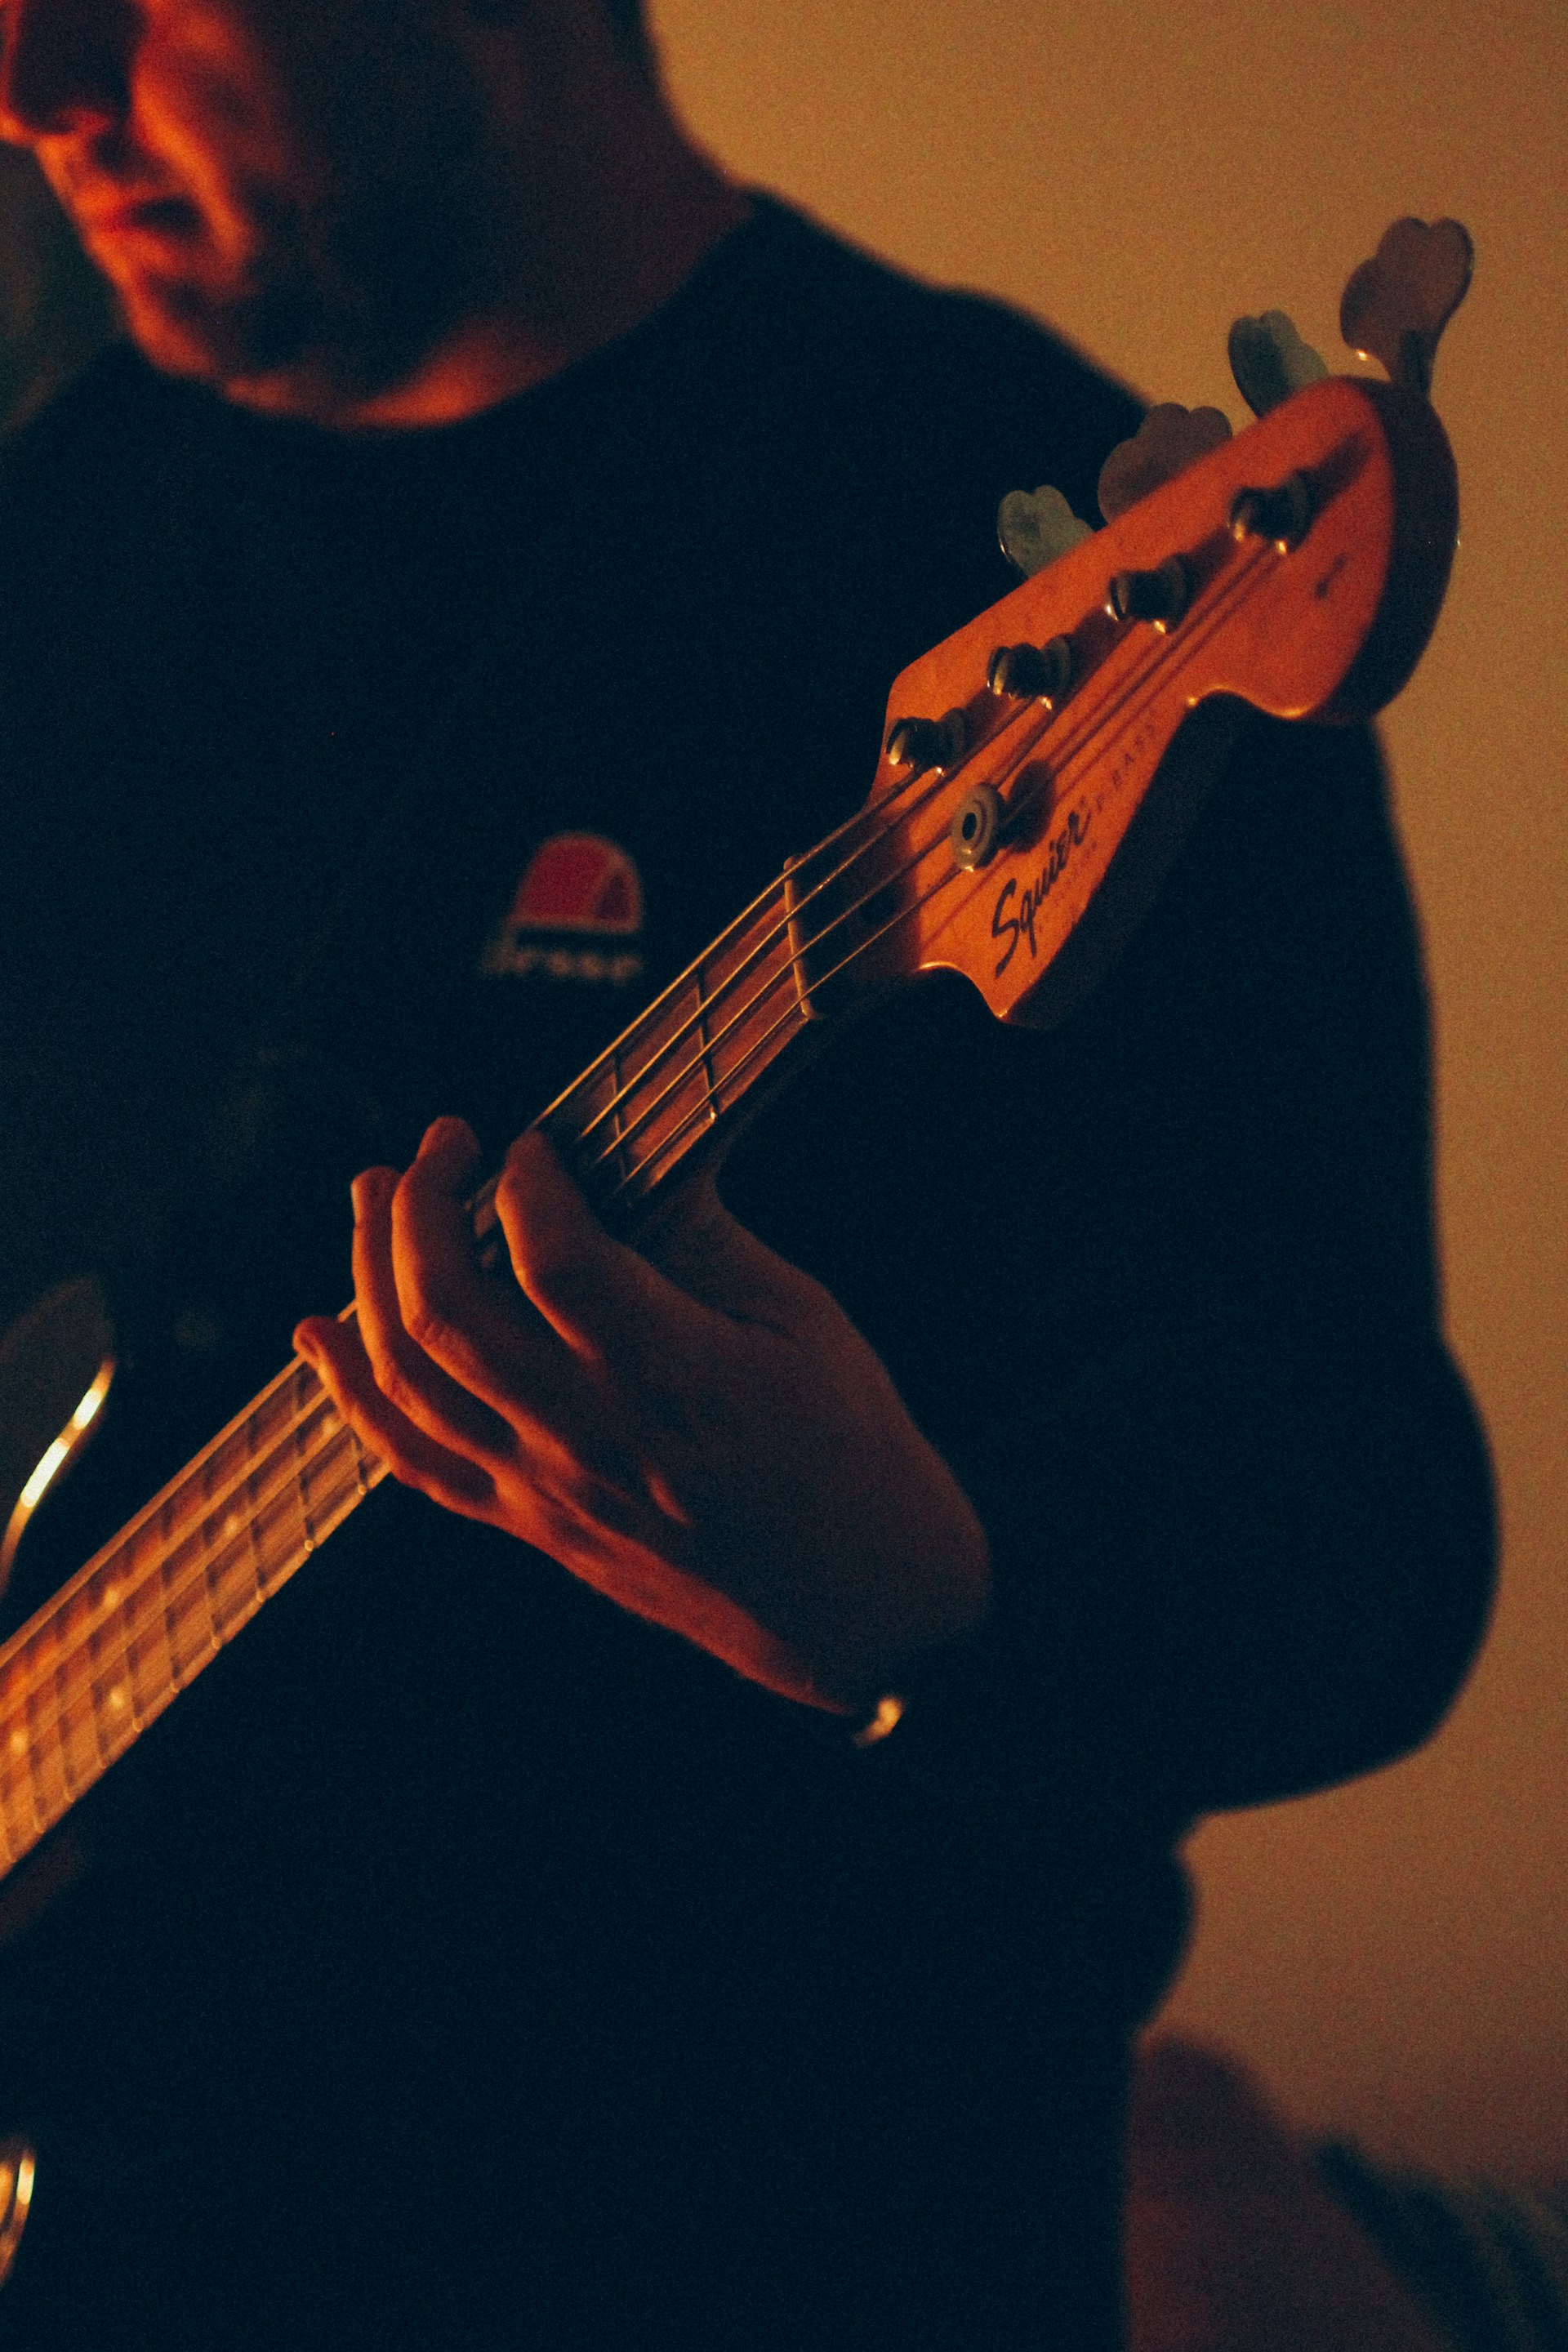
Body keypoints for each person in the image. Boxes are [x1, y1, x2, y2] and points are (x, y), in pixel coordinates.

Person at [0, 0, 1495, 2344]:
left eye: (113, 0)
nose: (30, 91)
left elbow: (1367, 1552)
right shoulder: (51, 546)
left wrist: (936, 1600)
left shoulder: (1018, 553)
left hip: (759, 2235)